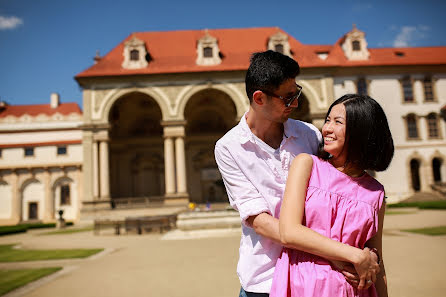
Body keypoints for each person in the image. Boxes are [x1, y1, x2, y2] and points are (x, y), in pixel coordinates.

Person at [214, 51, 379, 297]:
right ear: (259, 98)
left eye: (297, 92)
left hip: (316, 277)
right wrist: (338, 253)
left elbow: (339, 193)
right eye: (288, 97)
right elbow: (259, 221)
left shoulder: (309, 135)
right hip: (265, 278)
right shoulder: (229, 147)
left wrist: (370, 249)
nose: (296, 104)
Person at [270, 94, 394, 297]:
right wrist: (353, 254)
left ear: (361, 130)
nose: (326, 128)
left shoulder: (376, 192)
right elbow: (289, 232)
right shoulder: (307, 165)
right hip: (305, 287)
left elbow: (376, 260)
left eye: (337, 122)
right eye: (328, 120)